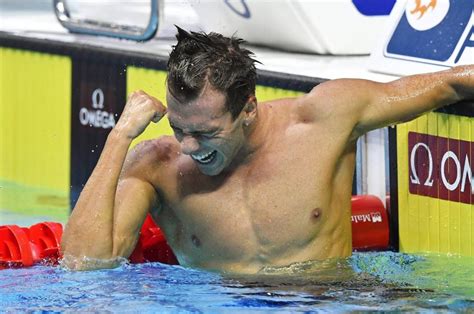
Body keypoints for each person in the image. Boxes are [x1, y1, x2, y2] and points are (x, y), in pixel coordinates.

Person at [61, 27, 474, 273]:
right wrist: (119, 138)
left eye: (205, 133)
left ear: (248, 109)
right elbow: (84, 265)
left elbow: (447, 84)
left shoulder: (322, 120)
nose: (188, 146)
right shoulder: (158, 166)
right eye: (178, 127)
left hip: (327, 303)